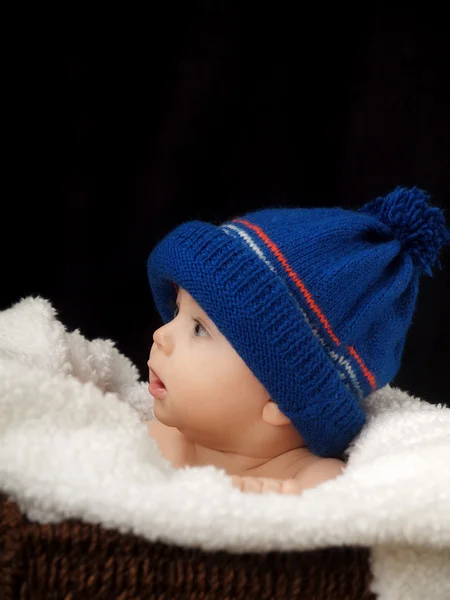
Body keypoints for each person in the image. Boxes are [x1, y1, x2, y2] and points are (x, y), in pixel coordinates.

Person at [145, 186, 450, 495]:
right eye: (177, 311)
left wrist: (276, 508)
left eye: (199, 329)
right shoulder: (152, 442)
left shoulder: (316, 480)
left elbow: (333, 517)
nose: (160, 335)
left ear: (281, 400)